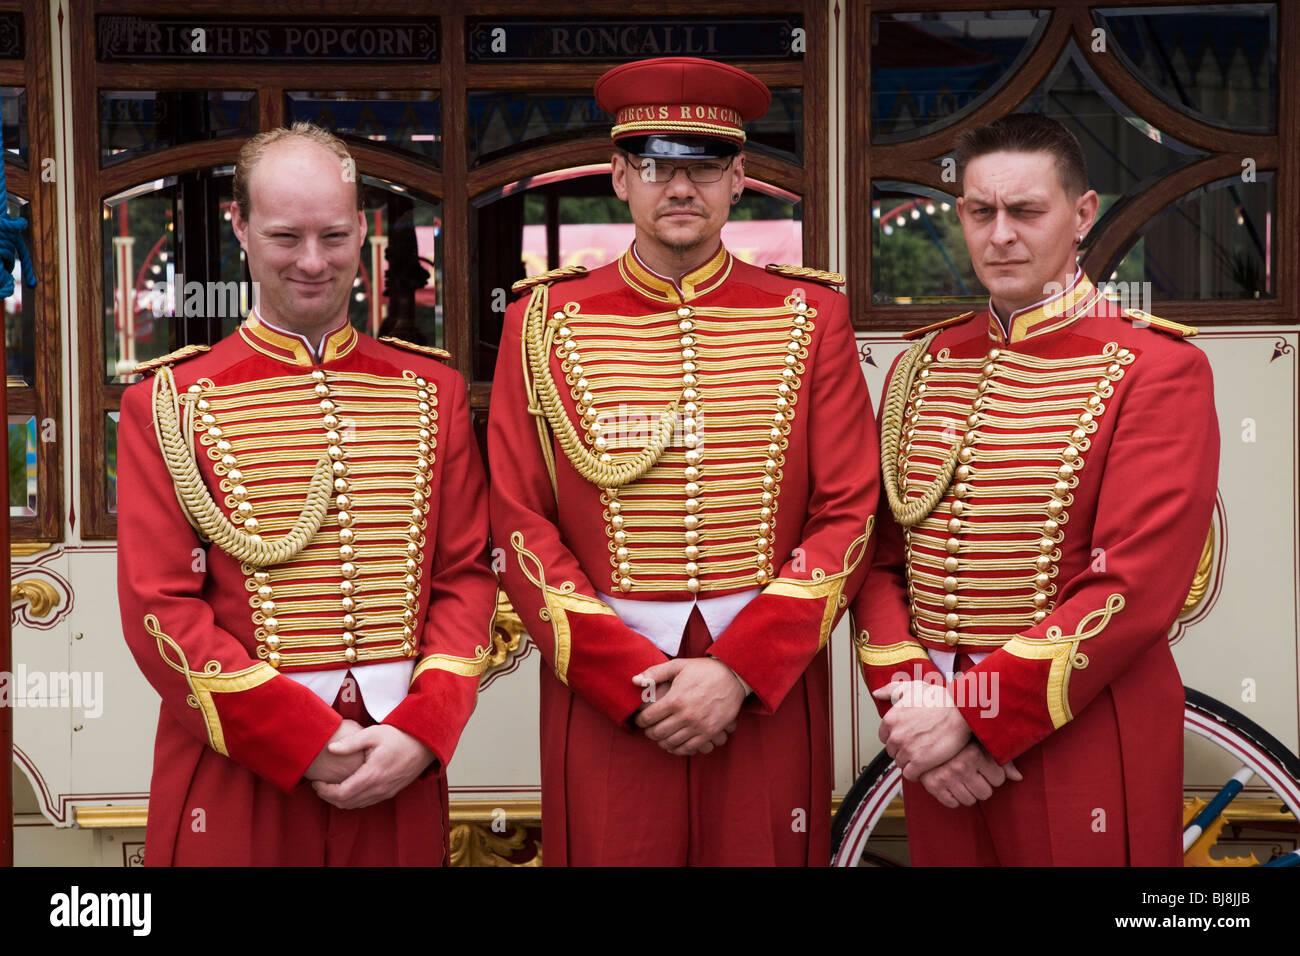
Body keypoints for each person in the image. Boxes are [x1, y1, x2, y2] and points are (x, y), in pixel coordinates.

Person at [488, 57, 879, 866]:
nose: (679, 187)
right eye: (656, 165)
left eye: (702, 166)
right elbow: (519, 519)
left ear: (739, 178)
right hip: (607, 695)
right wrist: (623, 679)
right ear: (620, 176)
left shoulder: (811, 316)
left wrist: (738, 671)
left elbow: (849, 510)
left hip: (766, 689)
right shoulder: (541, 321)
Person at [116, 122, 498, 866]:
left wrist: (424, 730)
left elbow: (464, 580)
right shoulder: (170, 402)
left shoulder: (433, 392)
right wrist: (303, 739)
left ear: (362, 228)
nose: (314, 263)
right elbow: (161, 611)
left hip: (400, 760)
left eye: (333, 235)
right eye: (287, 237)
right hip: (243, 769)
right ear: (241, 228)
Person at [852, 113, 1219, 866]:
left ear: (1083, 214)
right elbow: (879, 561)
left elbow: (1136, 583)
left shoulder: (1156, 366)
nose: (1001, 236)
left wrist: (977, 714)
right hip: (934, 740)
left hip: (1081, 721)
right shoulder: (919, 368)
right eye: (982, 212)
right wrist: (921, 707)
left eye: (1026, 211)